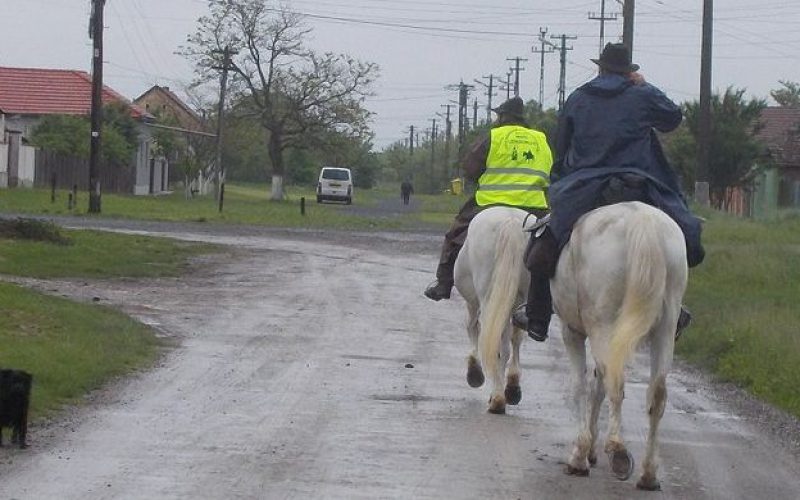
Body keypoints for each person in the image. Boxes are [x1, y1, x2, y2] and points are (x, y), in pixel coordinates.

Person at [512, 43, 705, 342]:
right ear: (629, 72)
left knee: (544, 241)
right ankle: (673, 309)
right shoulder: (642, 94)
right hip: (640, 183)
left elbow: (561, 147)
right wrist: (646, 85)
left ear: (600, 68)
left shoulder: (578, 98)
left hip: (585, 186)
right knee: (684, 232)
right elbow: (673, 118)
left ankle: (537, 316)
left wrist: (561, 178)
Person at [424, 96, 553, 301]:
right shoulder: (540, 139)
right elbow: (549, 170)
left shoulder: (493, 136)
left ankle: (443, 282)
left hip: (490, 201)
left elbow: (470, 168)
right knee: (554, 244)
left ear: (502, 116)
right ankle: (547, 298)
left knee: (455, 233)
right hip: (533, 206)